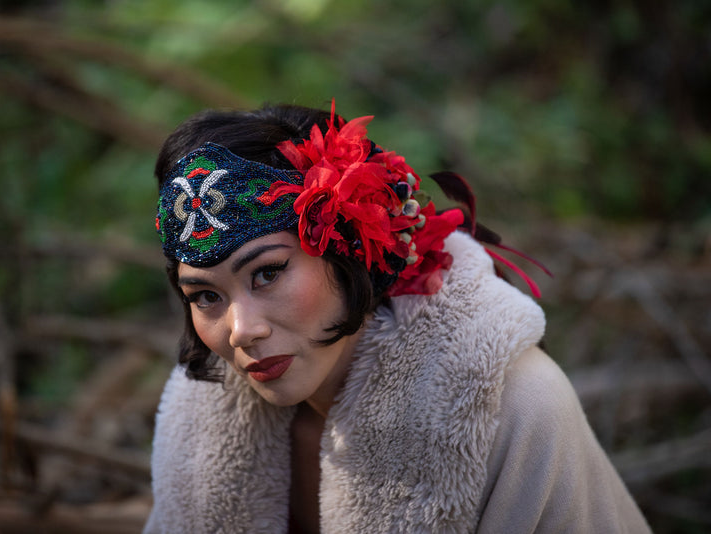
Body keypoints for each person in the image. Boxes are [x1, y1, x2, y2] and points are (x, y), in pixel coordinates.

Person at [144, 101, 651, 533]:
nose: (241, 329)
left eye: (268, 273)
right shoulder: (200, 419)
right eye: (207, 296)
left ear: (350, 251)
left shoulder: (512, 405)